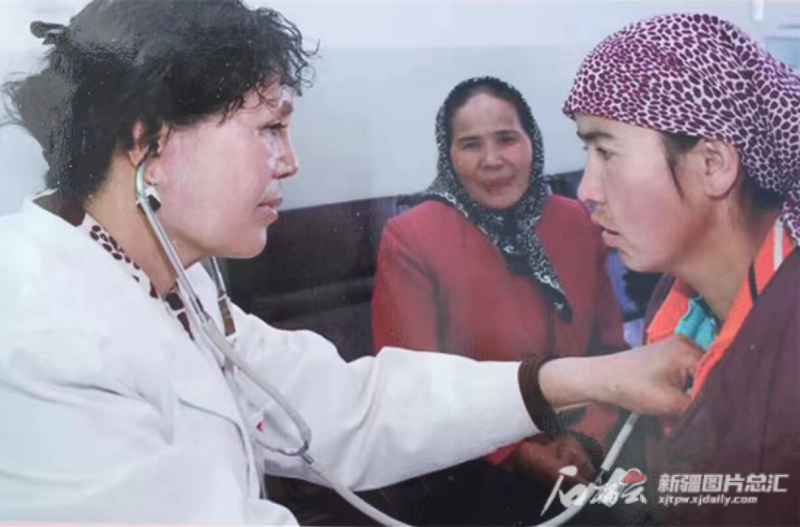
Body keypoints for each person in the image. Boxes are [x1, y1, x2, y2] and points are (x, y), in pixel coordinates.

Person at [0, 1, 698, 524]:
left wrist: (586, 378)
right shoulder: (39, 336)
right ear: (147, 142)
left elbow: (349, 408)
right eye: (269, 128)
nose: (290, 162)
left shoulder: (168, 283)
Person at [562, 13, 800, 526]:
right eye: (587, 151)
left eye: (606, 151)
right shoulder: (675, 306)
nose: (586, 190)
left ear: (712, 163)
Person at [371, 76, 628, 525]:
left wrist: (590, 436)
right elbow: (414, 388)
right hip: (472, 465)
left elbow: (609, 351)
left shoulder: (576, 220)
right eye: (470, 144)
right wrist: (518, 453)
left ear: (532, 142)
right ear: (448, 154)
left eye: (507, 138)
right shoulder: (412, 237)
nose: (492, 160)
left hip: (585, 448)